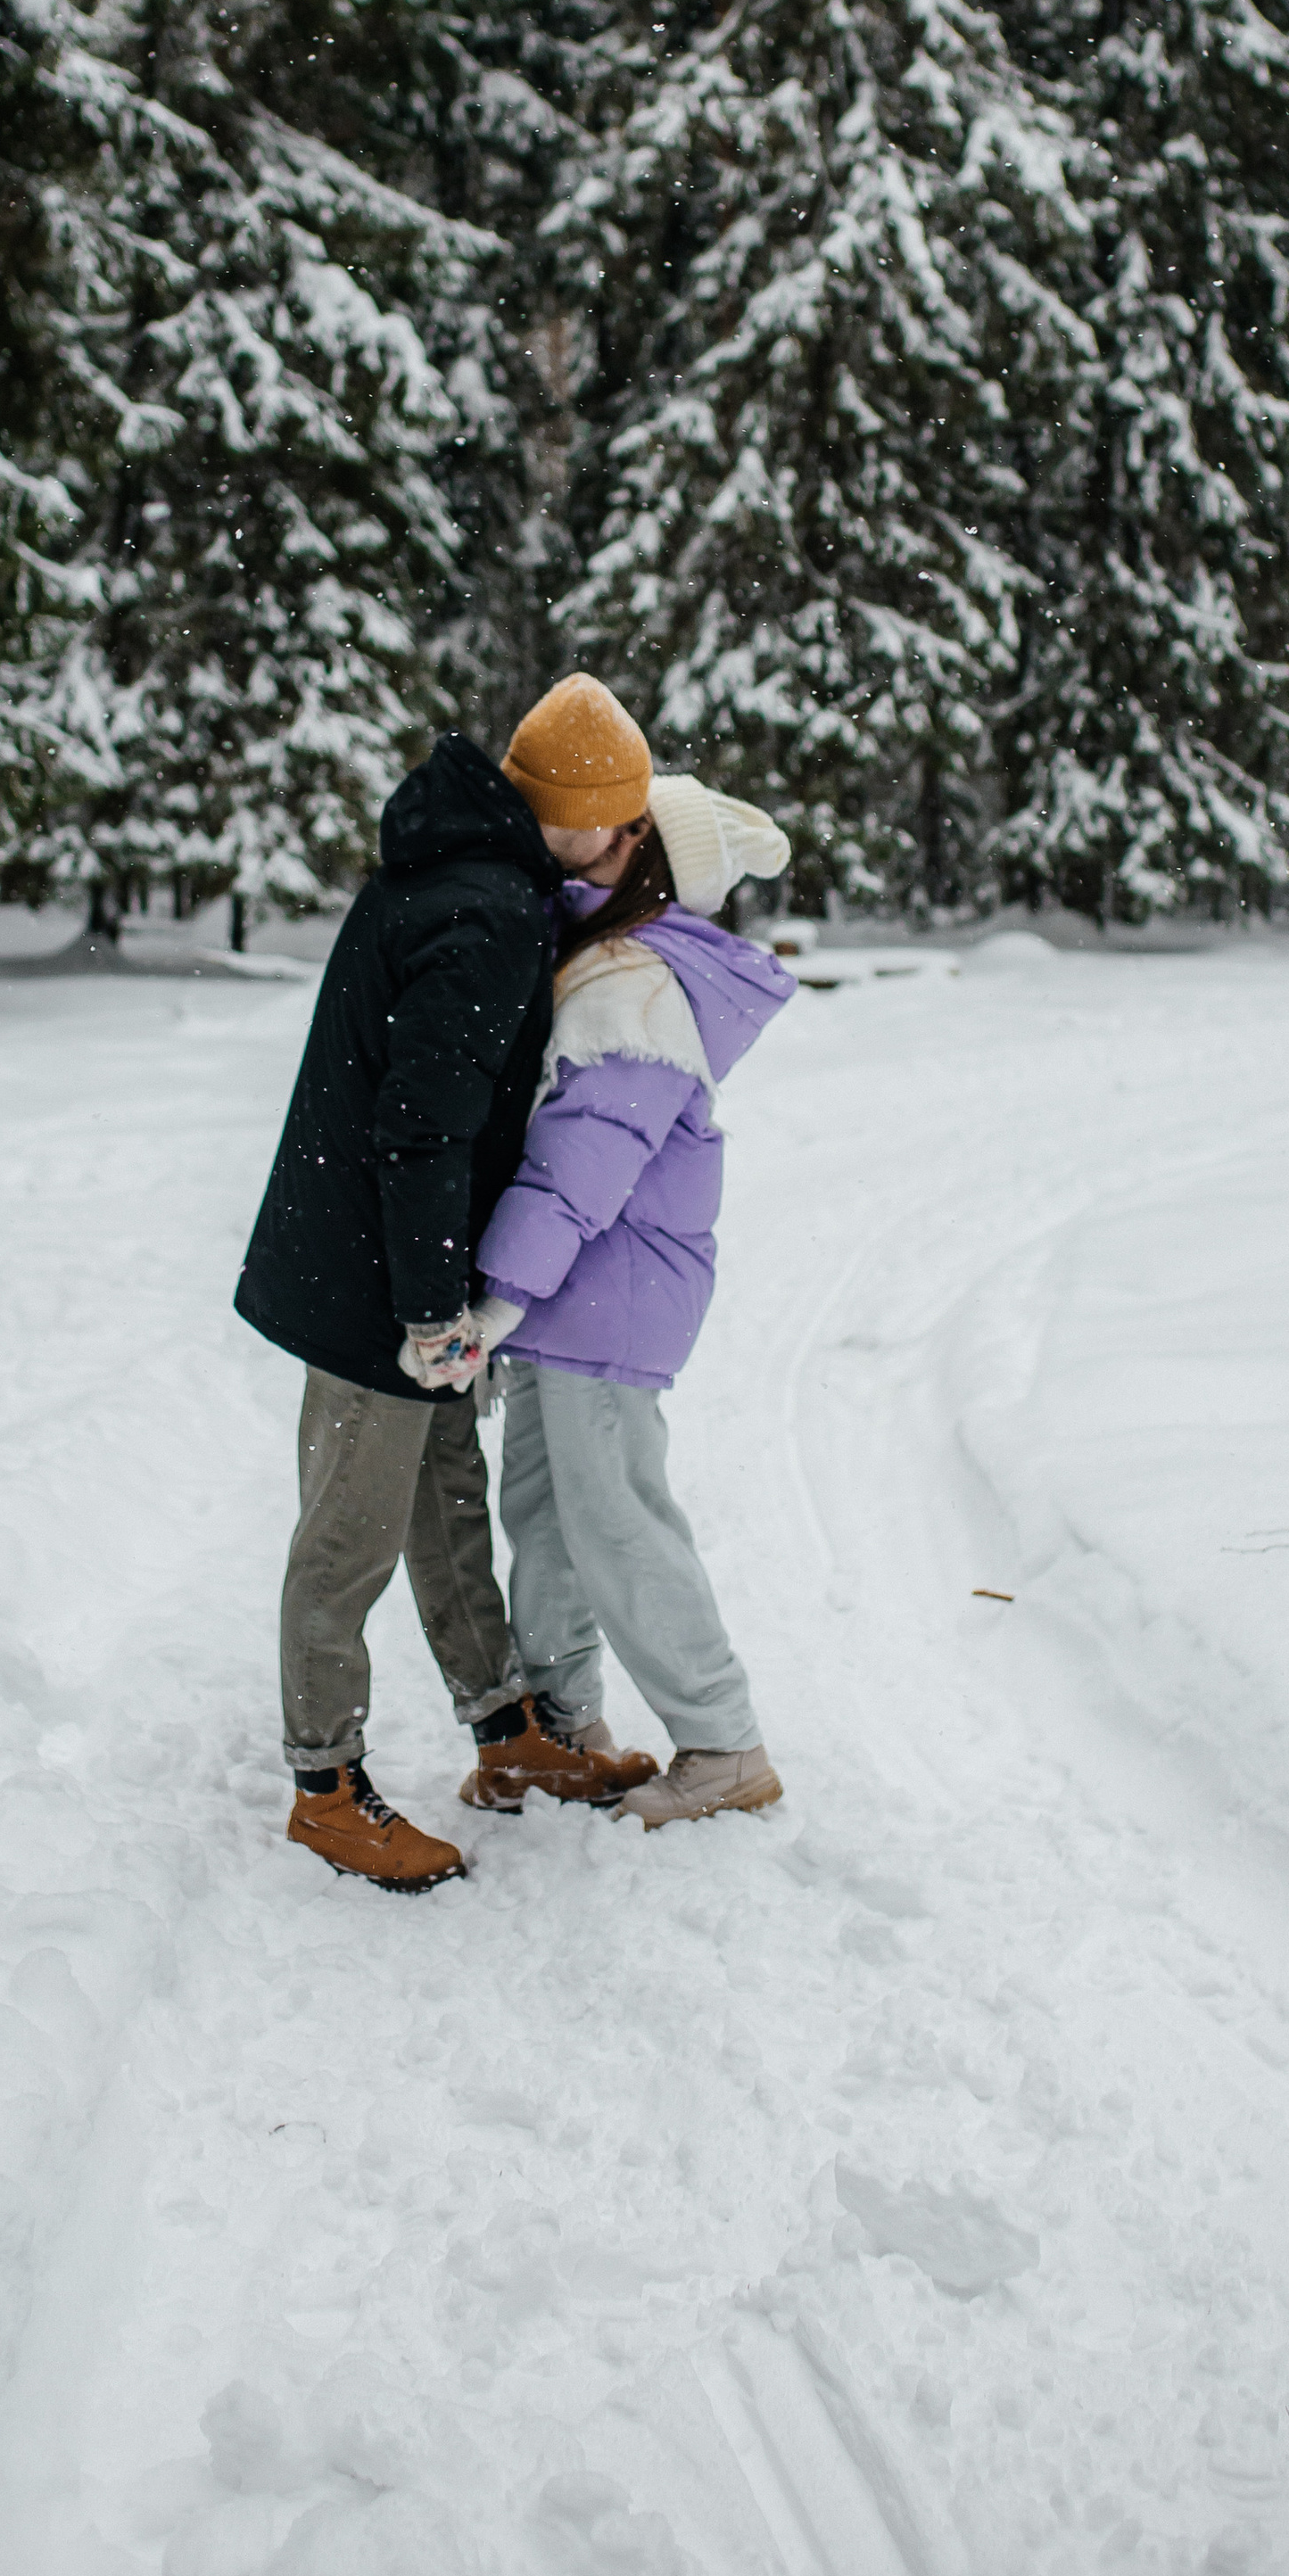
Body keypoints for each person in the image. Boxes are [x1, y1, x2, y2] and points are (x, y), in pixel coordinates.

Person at [235, 678, 665, 1892]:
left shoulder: (475, 872)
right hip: (379, 1276)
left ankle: (506, 1733)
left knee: (444, 1495)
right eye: (624, 825)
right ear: (573, 815)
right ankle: (327, 1787)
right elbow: (418, 1129)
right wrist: (430, 1310)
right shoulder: (483, 911)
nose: (632, 846)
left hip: (401, 1260)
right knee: (352, 1530)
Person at [469, 771, 797, 1827]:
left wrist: (499, 1298)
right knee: (546, 1514)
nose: (579, 840)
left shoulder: (637, 985)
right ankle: (563, 1723)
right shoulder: (600, 956)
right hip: (575, 1290)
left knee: (616, 1520)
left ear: (647, 862)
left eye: (612, 835)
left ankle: (720, 1743)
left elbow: (582, 1165)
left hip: (605, 1295)